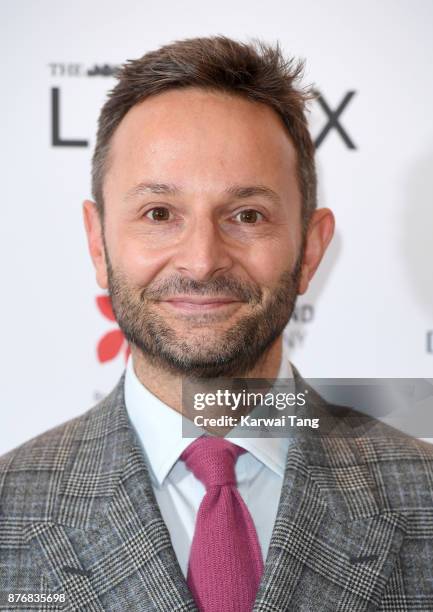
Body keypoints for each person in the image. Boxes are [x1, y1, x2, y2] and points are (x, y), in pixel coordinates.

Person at [1, 36, 433, 612]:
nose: (202, 259)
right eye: (159, 214)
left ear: (309, 249)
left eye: (247, 215)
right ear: (98, 244)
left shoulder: (424, 496)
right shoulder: (10, 506)